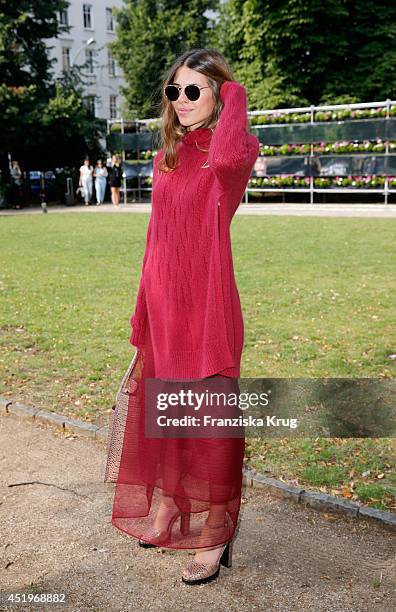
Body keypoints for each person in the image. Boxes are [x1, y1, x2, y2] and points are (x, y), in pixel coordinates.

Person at [106, 48, 260, 585]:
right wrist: (143, 306)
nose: (182, 100)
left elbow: (231, 159)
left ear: (219, 94)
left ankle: (218, 530)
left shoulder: (231, 153)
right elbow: (156, 236)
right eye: (175, 91)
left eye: (195, 90)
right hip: (165, 302)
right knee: (168, 411)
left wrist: (232, 91)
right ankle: (170, 506)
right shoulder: (166, 154)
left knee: (213, 422)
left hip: (209, 305)